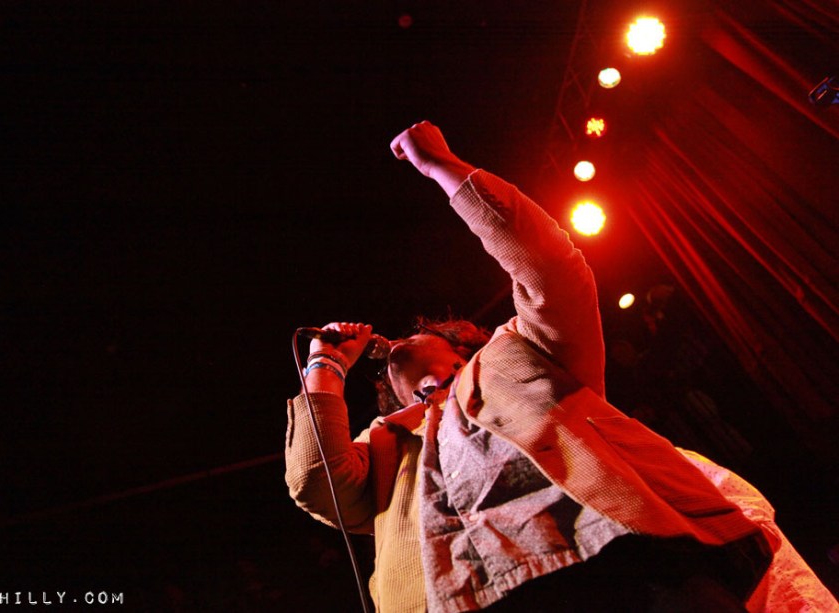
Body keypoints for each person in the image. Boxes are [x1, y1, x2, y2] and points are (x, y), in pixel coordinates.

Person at [285, 121, 774, 612]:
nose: (400, 342)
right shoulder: (386, 445)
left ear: (458, 346)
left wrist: (442, 168)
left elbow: (552, 270)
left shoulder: (521, 350)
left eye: (417, 333)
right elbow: (313, 480)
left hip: (620, 564)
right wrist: (325, 362)